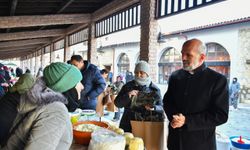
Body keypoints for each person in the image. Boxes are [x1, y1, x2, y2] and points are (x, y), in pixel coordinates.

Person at [163, 39, 229, 150]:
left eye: (188, 55)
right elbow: (167, 101)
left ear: (202, 57)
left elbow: (220, 115)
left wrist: (187, 121)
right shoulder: (175, 76)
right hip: (175, 141)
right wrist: (174, 117)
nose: (183, 58)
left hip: (200, 144)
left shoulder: (217, 80)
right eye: (182, 54)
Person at [0, 62, 83, 150]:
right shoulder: (55, 110)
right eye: (78, 82)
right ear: (67, 87)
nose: (82, 86)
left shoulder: (40, 101)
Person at [115, 60, 163, 132]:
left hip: (146, 124)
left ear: (147, 74)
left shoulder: (155, 89)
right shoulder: (128, 86)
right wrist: (128, 95)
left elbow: (161, 107)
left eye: (142, 73)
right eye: (136, 72)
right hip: (127, 124)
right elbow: (117, 103)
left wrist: (154, 107)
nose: (138, 75)